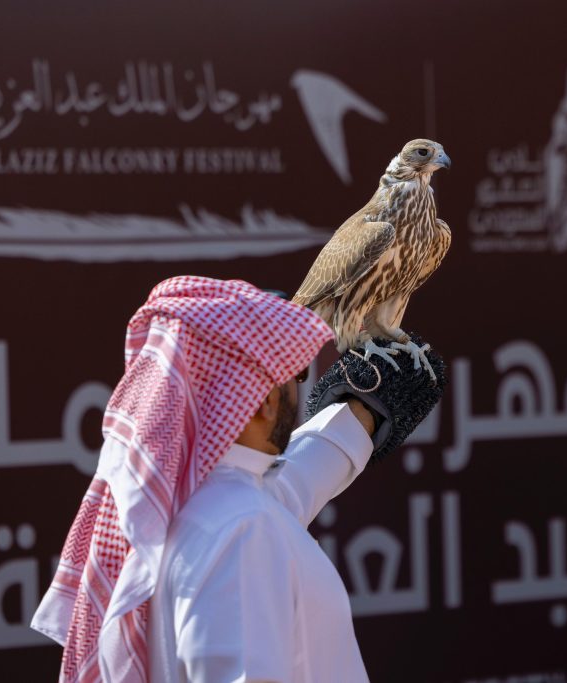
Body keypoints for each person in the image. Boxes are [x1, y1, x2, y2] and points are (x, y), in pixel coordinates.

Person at [32, 276, 440, 683]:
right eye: (295, 376)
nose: (301, 389)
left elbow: (288, 488)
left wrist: (363, 412)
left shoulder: (188, 510)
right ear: (262, 401)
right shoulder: (242, 529)